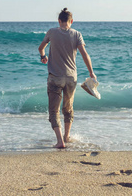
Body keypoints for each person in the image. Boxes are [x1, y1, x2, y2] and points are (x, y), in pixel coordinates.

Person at [38, 8, 96, 148]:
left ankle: (60, 141)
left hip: (55, 77)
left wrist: (43, 56)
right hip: (71, 77)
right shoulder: (77, 34)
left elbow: (41, 48)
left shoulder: (52, 32)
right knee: (68, 108)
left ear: (59, 21)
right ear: (71, 21)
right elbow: (84, 54)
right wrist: (91, 73)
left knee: (54, 110)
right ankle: (67, 136)